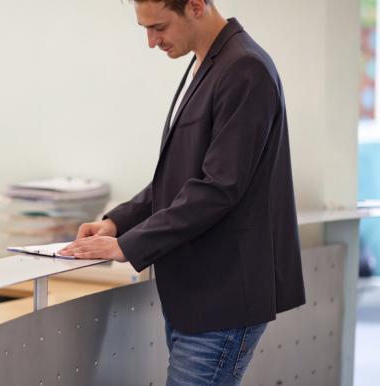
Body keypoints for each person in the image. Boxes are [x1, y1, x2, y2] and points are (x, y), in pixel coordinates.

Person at [59, 0, 305, 384]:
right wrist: (117, 222)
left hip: (224, 297)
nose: (151, 41)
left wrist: (130, 245)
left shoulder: (244, 68)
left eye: (158, 27)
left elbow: (218, 188)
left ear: (195, 6)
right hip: (198, 295)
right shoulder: (209, 62)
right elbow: (179, 176)